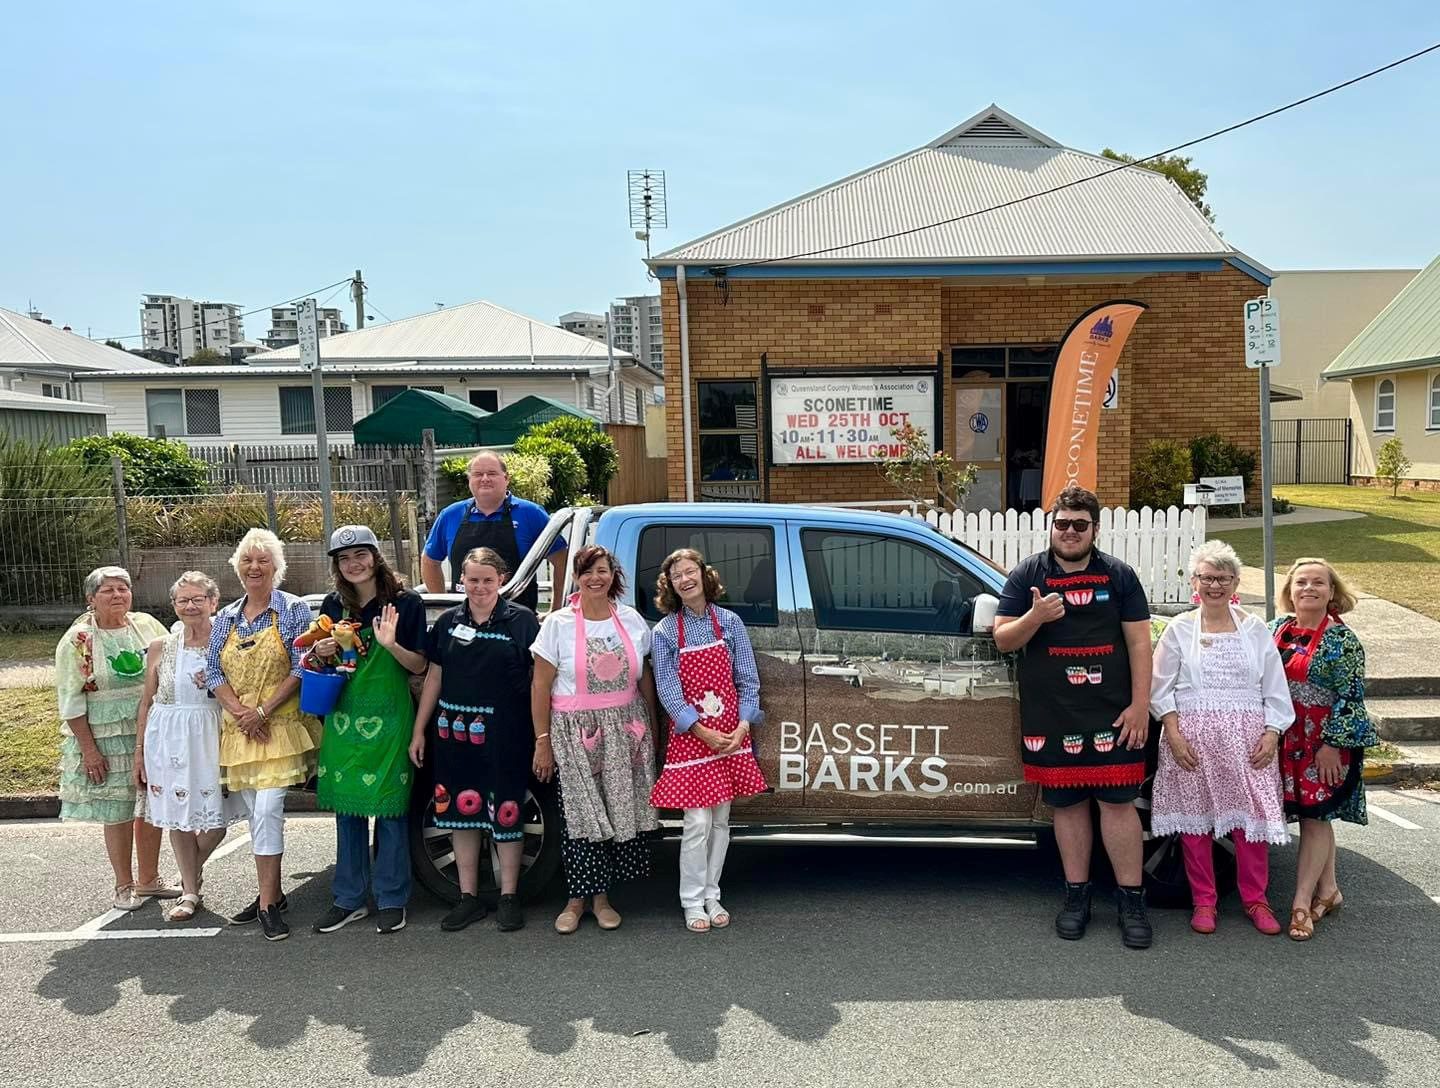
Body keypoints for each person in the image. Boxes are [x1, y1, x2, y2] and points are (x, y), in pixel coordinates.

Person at [993, 484, 1155, 949]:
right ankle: (1076, 897)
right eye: (1061, 523)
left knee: (1118, 807)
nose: (1069, 532)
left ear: (1095, 530)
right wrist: (1036, 616)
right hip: (1053, 715)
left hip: (1113, 713)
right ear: (1053, 525)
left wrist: (1140, 704)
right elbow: (1004, 638)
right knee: (1066, 807)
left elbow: (1140, 643)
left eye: (1079, 525)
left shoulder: (1119, 576)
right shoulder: (1028, 575)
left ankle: (1131, 900)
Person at [1150, 541, 1294, 936]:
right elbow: (1160, 689)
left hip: (1248, 741)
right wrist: (1174, 735)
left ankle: (1255, 899)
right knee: (1195, 826)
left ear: (1235, 583)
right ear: (1195, 582)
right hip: (1191, 741)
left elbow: (1275, 688)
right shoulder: (1179, 629)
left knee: (1250, 824)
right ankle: (1204, 901)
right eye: (1208, 577)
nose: (1215, 585)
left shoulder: (1254, 630)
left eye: (1223, 578)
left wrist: (1272, 733)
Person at [410, 546, 540, 933]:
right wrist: (420, 729)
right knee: (459, 815)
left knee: (507, 813)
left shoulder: (521, 621)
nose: (480, 587)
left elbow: (539, 681)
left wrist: (541, 733)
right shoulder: (449, 621)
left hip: (506, 735)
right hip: (453, 734)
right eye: (472, 579)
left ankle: (509, 897)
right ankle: (467, 898)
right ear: (461, 580)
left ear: (501, 580)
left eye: (487, 579)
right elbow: (434, 675)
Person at [531, 546, 660, 934]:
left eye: (601, 571)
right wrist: (542, 740)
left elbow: (644, 680)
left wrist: (650, 729)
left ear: (612, 574)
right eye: (587, 572)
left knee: (615, 814)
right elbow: (540, 684)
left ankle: (602, 899)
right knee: (579, 817)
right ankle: (574, 900)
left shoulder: (631, 620)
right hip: (575, 730)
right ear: (576, 576)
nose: (595, 578)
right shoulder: (558, 624)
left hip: (625, 729)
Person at [310, 527, 430, 937]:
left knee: (392, 811)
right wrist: (321, 651)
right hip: (344, 719)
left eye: (360, 554)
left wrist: (392, 644)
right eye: (344, 559)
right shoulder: (332, 604)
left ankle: (393, 898)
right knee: (349, 812)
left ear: (376, 556)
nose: (353, 564)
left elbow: (419, 667)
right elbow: (321, 661)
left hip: (391, 718)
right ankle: (348, 899)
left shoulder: (406, 603)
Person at [206, 529, 319, 941]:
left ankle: (269, 905)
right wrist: (239, 712)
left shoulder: (292, 610)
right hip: (241, 730)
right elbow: (214, 671)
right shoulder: (226, 617)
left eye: (263, 560)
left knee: (269, 809)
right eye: (247, 561)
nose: (255, 567)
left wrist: (262, 711)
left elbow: (301, 665)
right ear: (238, 568)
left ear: (277, 566)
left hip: (280, 726)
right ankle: (271, 893)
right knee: (256, 816)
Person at [649, 548, 767, 934]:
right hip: (694, 738)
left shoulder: (730, 623)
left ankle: (712, 894)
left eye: (690, 571)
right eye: (677, 575)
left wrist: (742, 728)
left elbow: (748, 681)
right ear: (671, 586)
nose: (686, 579)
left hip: (731, 736)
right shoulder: (666, 631)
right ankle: (690, 900)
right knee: (697, 821)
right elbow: (668, 690)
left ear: (704, 575)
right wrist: (700, 729)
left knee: (721, 821)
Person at [1269, 557, 1377, 942]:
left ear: (1332, 592)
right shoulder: (1276, 629)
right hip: (1287, 736)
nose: (1308, 589)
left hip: (1323, 740)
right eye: (1301, 583)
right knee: (1317, 817)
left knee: (1315, 817)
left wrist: (1332, 745)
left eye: (1318, 583)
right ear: (1290, 590)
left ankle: (1300, 904)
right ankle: (1328, 890)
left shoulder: (1342, 640)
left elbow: (1351, 696)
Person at [54, 567, 172, 910]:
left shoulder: (147, 626)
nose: (118, 595)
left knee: (151, 804)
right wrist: (90, 750)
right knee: (118, 809)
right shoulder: (78, 639)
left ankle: (149, 879)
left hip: (151, 727)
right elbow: (71, 699)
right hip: (106, 735)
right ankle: (123, 884)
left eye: (123, 589)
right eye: (108, 591)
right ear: (91, 599)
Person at [135, 572, 233, 922]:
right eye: (182, 600)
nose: (190, 606)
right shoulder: (162, 646)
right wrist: (139, 753)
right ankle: (190, 891)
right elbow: (146, 702)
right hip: (167, 738)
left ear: (213, 602)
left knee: (216, 821)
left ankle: (192, 867)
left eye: (197, 599)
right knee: (177, 818)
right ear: (174, 605)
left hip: (211, 735)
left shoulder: (226, 641)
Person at [421, 450, 567, 612]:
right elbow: (430, 561)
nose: (484, 479)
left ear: (506, 479)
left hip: (519, 621)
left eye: (491, 473)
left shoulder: (531, 514)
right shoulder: (450, 515)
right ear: (469, 480)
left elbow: (562, 560)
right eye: (478, 474)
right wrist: (443, 608)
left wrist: (555, 610)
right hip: (463, 621)